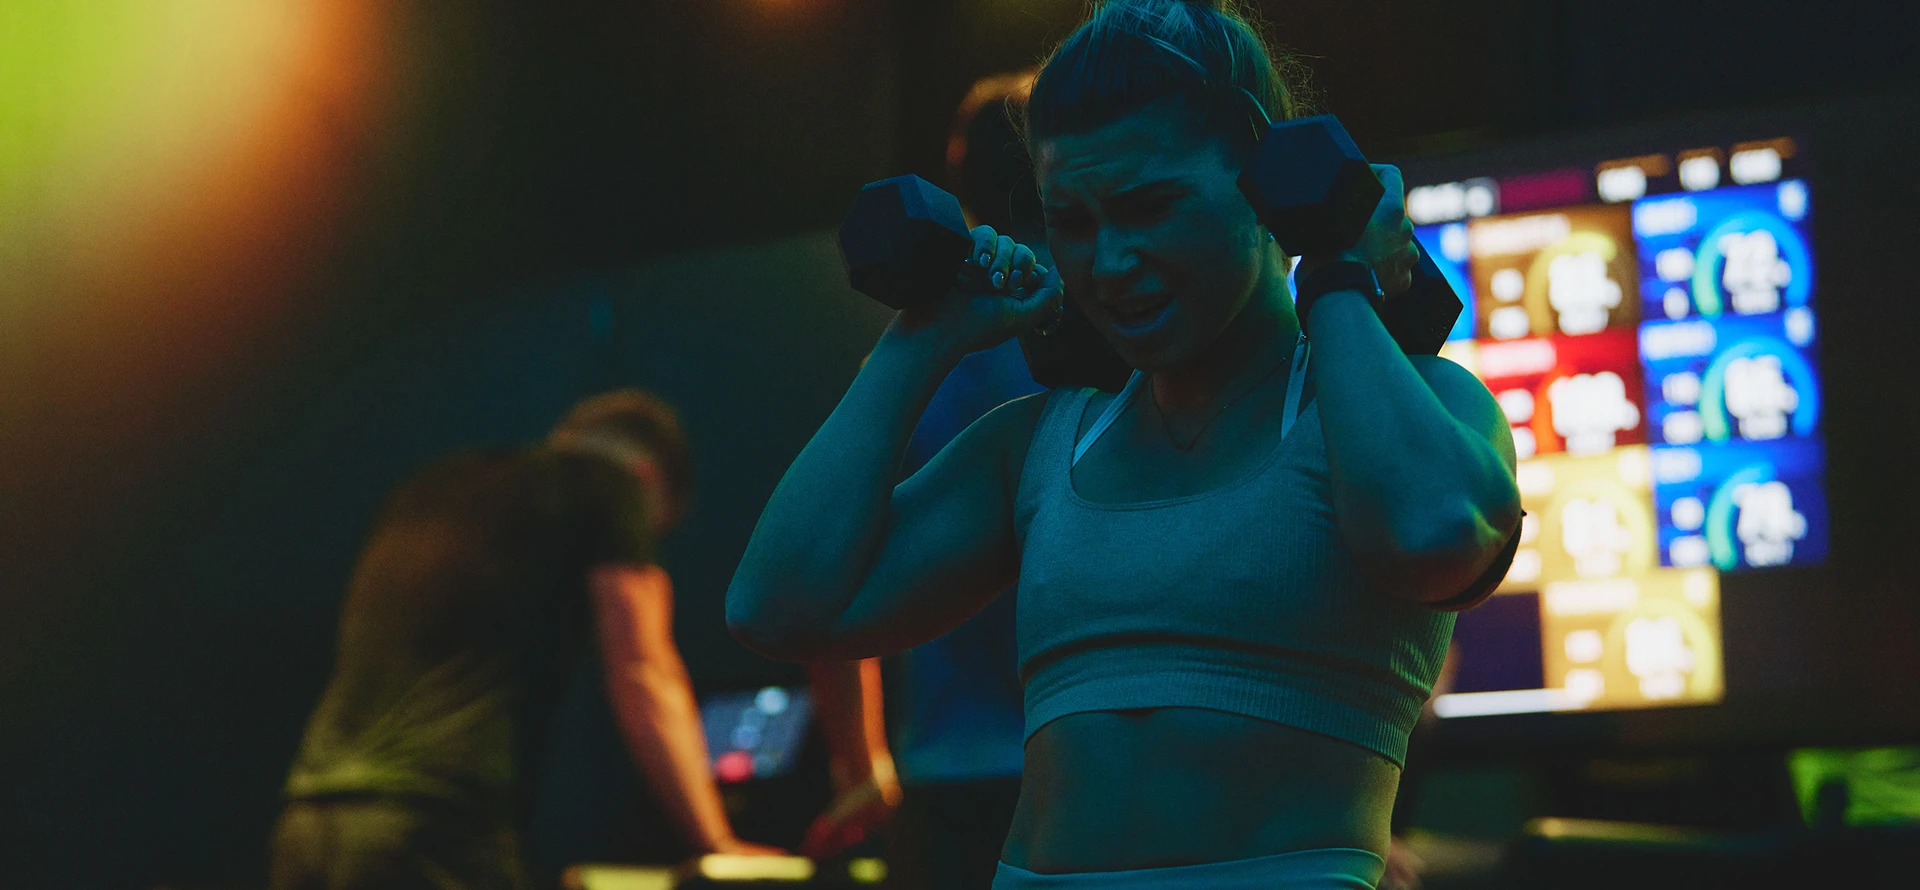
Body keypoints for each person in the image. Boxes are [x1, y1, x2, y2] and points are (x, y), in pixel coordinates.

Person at [726, 0, 1522, 886]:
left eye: (1150, 207)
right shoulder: (1041, 445)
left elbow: (1433, 535)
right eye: (1074, 222)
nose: (1108, 262)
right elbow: (778, 606)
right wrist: (922, 341)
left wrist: (1336, 269)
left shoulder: (1423, 404)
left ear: (1268, 184)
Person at [271, 389, 782, 890]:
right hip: (432, 829)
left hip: (310, 819)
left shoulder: (427, 488)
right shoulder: (609, 486)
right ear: (647, 479)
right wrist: (717, 843)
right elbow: (644, 670)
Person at [801, 72, 1048, 890]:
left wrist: (861, 761)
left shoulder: (908, 364)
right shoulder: (1107, 334)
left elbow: (831, 561)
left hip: (949, 777)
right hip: (1084, 763)